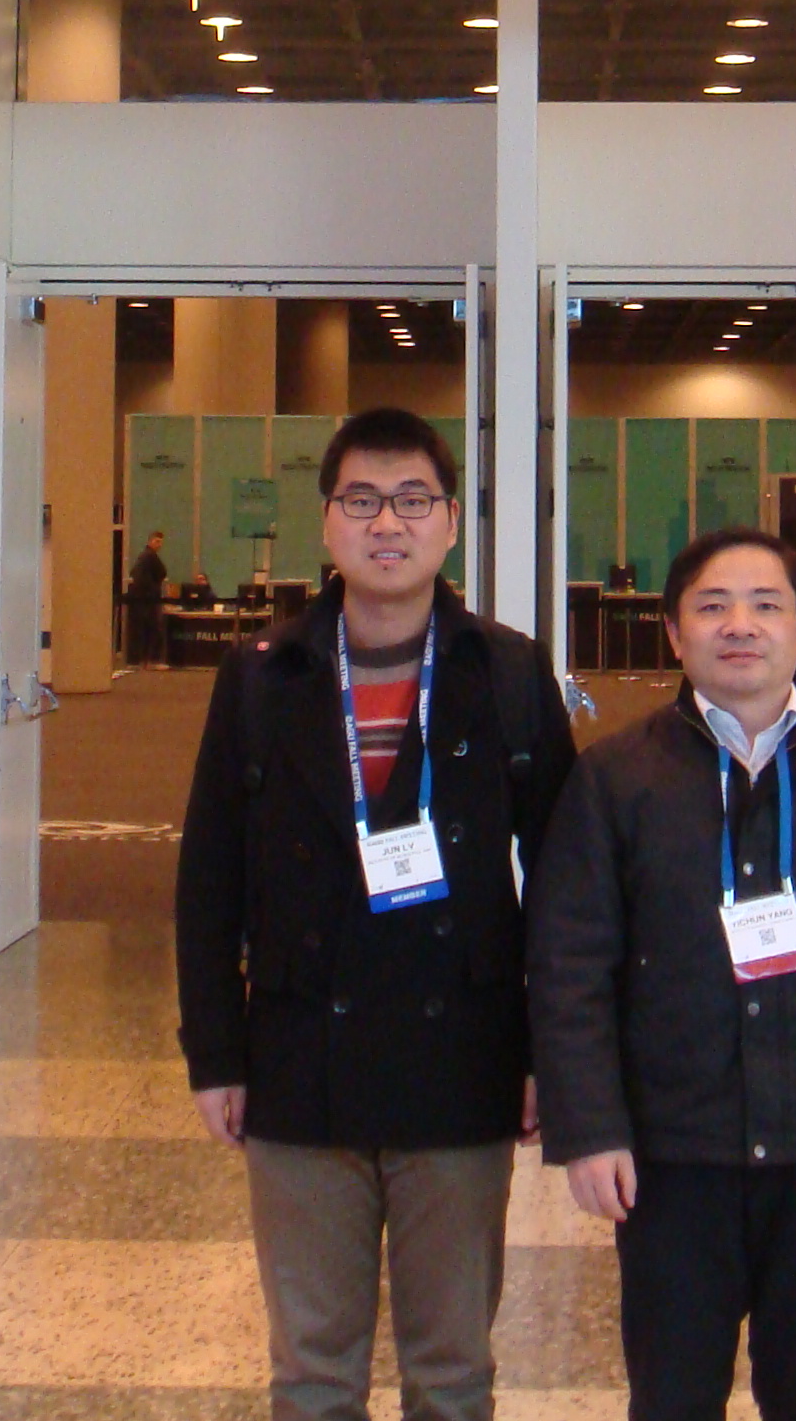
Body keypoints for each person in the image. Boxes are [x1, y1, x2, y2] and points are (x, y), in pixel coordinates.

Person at [175, 405, 576, 1421]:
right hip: (301, 1058)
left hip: (463, 1061)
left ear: (451, 522)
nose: (386, 523)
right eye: (361, 500)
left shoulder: (509, 673)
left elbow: (566, 887)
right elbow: (209, 878)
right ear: (326, 522)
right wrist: (215, 1054)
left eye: (411, 500)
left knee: (452, 1369)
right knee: (312, 1371)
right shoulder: (262, 677)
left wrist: (551, 1054)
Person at [528, 528, 796, 1421]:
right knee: (672, 1397)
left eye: (767, 606)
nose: (741, 625)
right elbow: (570, 962)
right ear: (673, 632)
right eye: (713, 606)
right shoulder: (617, 778)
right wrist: (590, 1129)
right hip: (672, 1159)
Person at [126, 527, 172, 667]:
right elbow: (162, 572)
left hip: (142, 600)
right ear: (150, 541)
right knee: (154, 629)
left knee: (143, 630)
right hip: (149, 599)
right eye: (157, 541)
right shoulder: (150, 556)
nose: (159, 545)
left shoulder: (143, 557)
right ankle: (153, 660)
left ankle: (141, 660)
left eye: (161, 542)